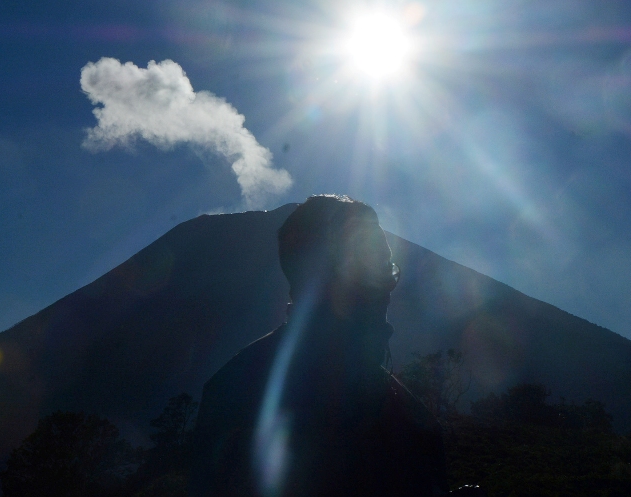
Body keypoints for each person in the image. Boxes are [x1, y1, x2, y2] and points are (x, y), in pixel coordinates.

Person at [189, 195, 448, 497]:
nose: (386, 291)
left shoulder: (414, 420)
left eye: (387, 272)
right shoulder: (241, 398)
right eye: (367, 271)